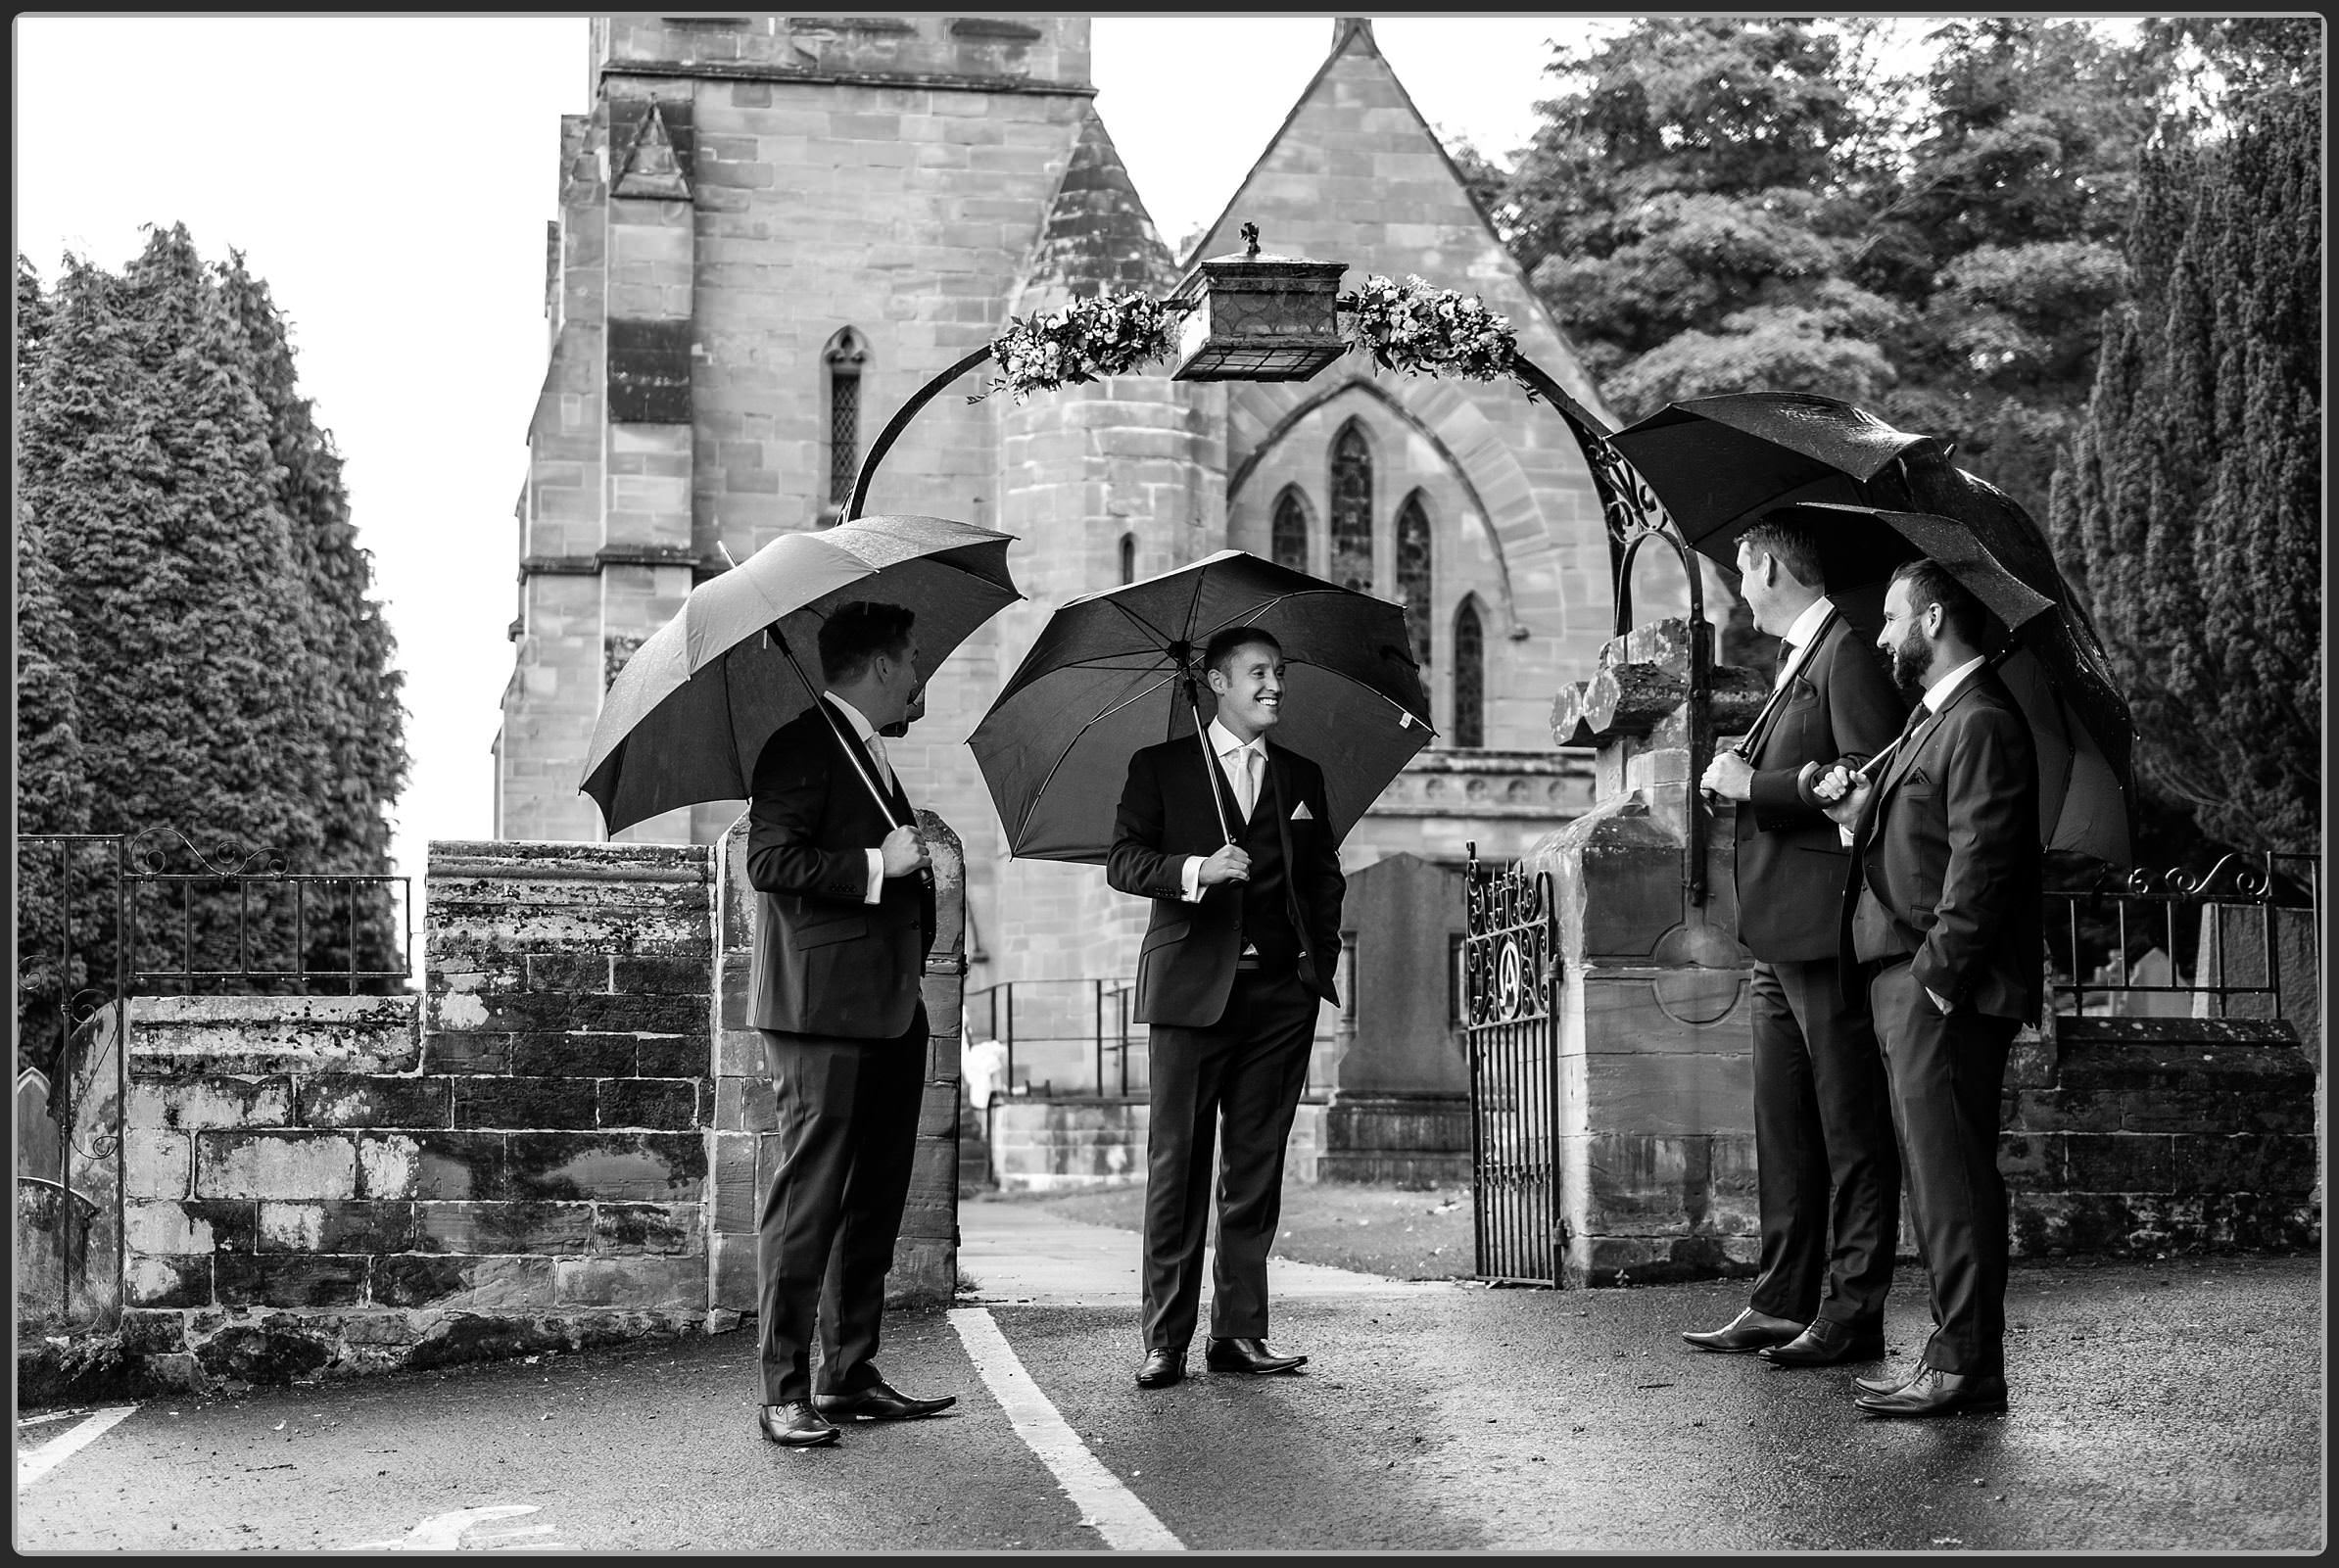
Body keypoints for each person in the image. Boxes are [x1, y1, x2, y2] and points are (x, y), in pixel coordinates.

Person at [1806, 557, 2041, 1418]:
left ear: (1934, 618)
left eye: (1893, 616)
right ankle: (1955, 1354)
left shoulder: (1980, 720)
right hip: (1903, 979)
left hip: (1941, 987)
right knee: (1936, 1174)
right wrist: (1851, 811)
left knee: (1953, 1179)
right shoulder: (1928, 723)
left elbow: (1984, 859)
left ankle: (1966, 1363)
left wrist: (1938, 980)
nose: (1879, 634)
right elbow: (1916, 840)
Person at [1684, 521, 1909, 1367]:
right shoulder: (1796, 664)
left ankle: (1854, 1312)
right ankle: (1781, 1300)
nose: (1740, 588)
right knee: (1783, 1125)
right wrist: (1735, 782)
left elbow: (1870, 773)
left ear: (1771, 566)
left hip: (1826, 929)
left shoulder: (1846, 655)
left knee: (1849, 1125)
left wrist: (1759, 786)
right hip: (1775, 932)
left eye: (1742, 571)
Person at [1106, 626, 1346, 1390]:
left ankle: (1238, 1332)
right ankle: (1166, 1339)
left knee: (1255, 1169)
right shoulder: (1162, 768)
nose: (1274, 685)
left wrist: (1315, 968)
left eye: (1278, 672)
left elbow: (1324, 879)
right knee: (1177, 1167)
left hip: (1280, 996)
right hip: (1188, 993)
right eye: (1256, 673)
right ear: (1215, 681)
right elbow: (1124, 860)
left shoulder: (1302, 775)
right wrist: (1195, 869)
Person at [745, 600, 955, 1448]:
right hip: (821, 1011)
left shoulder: (870, 754)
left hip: (889, 1007)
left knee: (875, 1194)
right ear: (876, 666)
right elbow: (770, 860)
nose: (919, 672)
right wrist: (879, 862)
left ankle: (848, 1373)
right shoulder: (801, 745)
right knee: (811, 1195)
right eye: (911, 657)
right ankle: (783, 1385)